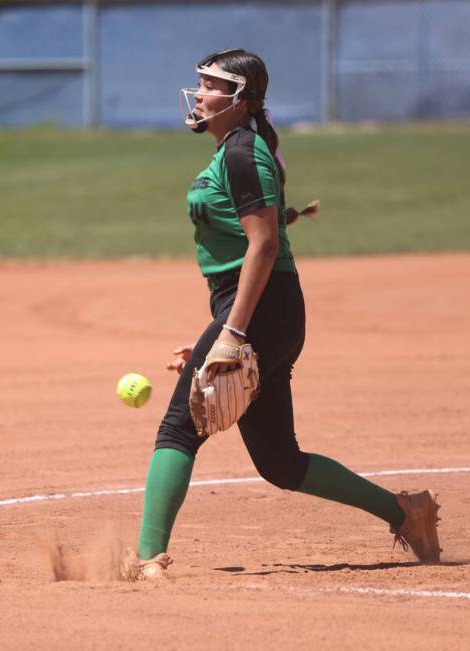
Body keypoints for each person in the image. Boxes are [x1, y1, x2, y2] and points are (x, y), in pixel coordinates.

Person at [125, 49, 441, 580]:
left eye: (209, 86)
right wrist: (217, 331)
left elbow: (265, 246)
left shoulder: (244, 151)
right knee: (279, 462)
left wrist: (231, 333)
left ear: (240, 98)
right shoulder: (234, 149)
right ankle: (406, 512)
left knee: (179, 430)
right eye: (198, 84)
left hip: (263, 310)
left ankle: (145, 558)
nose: (198, 94)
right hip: (259, 311)